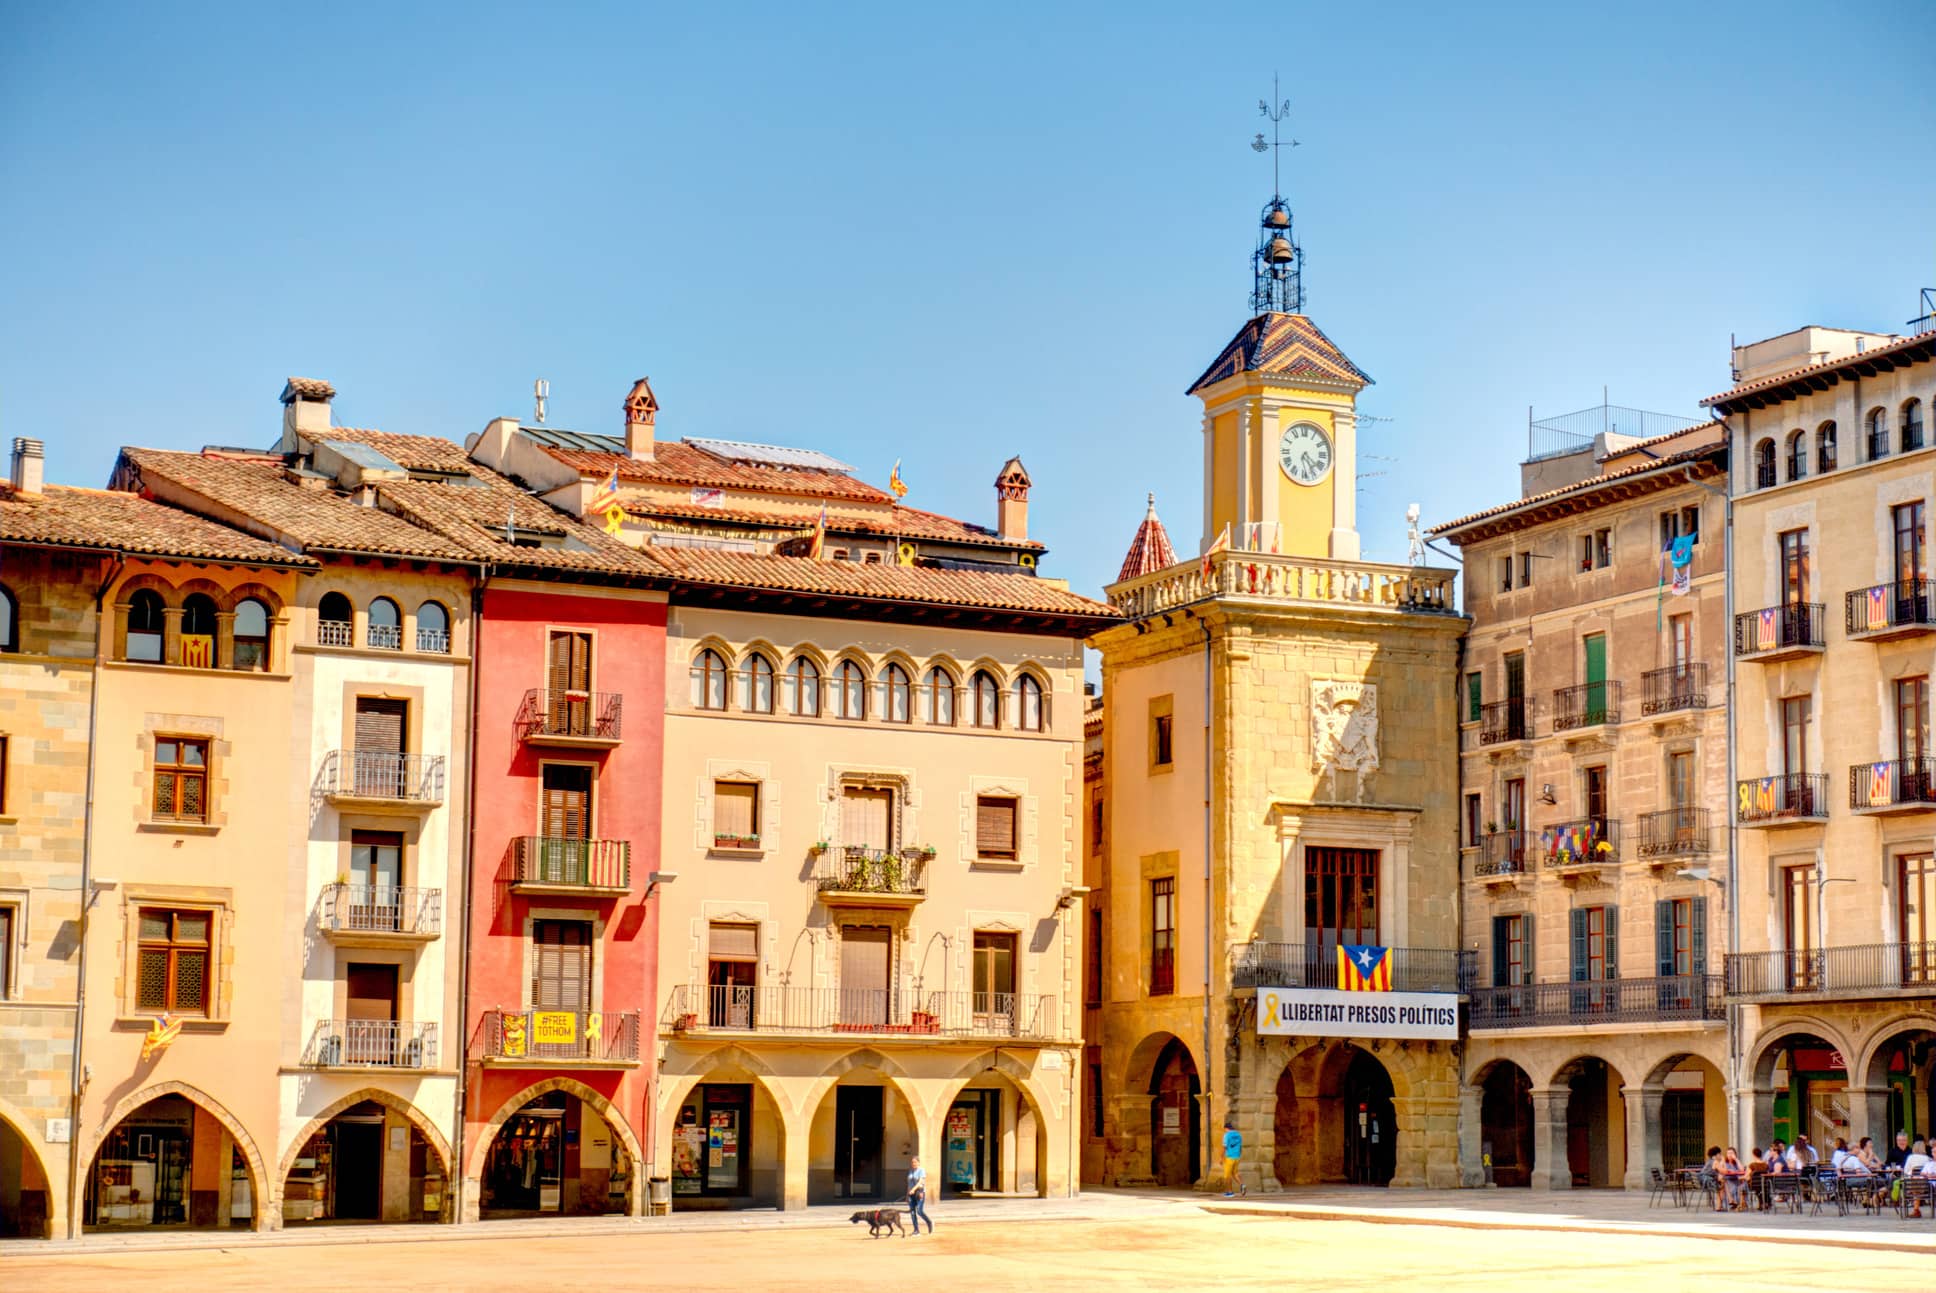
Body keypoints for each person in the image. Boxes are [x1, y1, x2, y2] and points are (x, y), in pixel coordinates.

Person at [905, 1154, 933, 1235]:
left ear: (918, 1162)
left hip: (919, 1193)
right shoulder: (910, 1171)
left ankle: (929, 1222)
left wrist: (913, 1190)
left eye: (915, 1162)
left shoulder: (921, 1170)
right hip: (911, 1194)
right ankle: (916, 1230)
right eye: (912, 1162)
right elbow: (909, 1184)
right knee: (912, 1212)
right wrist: (907, 1195)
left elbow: (920, 1182)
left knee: (919, 1211)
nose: (913, 1164)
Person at [1220, 1119, 1246, 1198]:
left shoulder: (1226, 1135)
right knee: (1235, 1173)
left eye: (1225, 1129)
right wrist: (1239, 1155)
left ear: (1226, 1128)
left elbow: (1224, 1147)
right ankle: (1242, 1184)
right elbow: (1240, 1147)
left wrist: (1221, 1157)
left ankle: (1230, 1192)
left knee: (1227, 1176)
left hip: (1229, 1157)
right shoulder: (1239, 1135)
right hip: (1237, 1157)